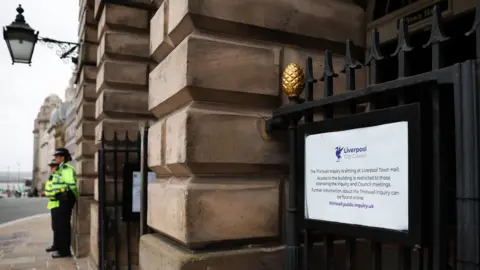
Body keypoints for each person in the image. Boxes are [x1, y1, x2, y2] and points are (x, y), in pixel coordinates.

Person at [49, 148, 79, 258]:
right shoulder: (61, 168)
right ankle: (61, 248)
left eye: (57, 156)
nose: (56, 158)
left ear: (62, 157)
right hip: (60, 198)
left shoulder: (66, 168)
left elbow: (71, 185)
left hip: (65, 199)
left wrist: (75, 196)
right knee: (59, 225)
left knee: (63, 225)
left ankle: (64, 251)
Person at [43, 159, 59, 253]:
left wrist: (51, 193)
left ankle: (58, 245)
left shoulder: (57, 177)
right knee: (54, 227)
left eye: (53, 166)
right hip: (53, 204)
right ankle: (55, 245)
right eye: (51, 166)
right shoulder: (51, 177)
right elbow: (48, 190)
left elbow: (55, 190)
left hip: (58, 204)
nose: (51, 168)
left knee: (58, 227)